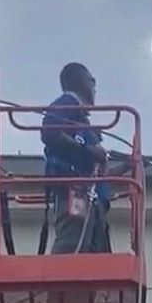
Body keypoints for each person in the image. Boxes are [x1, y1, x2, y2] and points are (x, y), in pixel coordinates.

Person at [40, 62, 112, 254]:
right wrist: (89, 149)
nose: (94, 85)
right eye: (91, 80)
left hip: (91, 200)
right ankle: (58, 282)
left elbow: (99, 173)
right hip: (74, 192)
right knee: (72, 246)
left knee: (91, 252)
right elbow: (49, 132)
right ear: (79, 81)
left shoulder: (81, 123)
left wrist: (130, 164)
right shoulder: (68, 102)